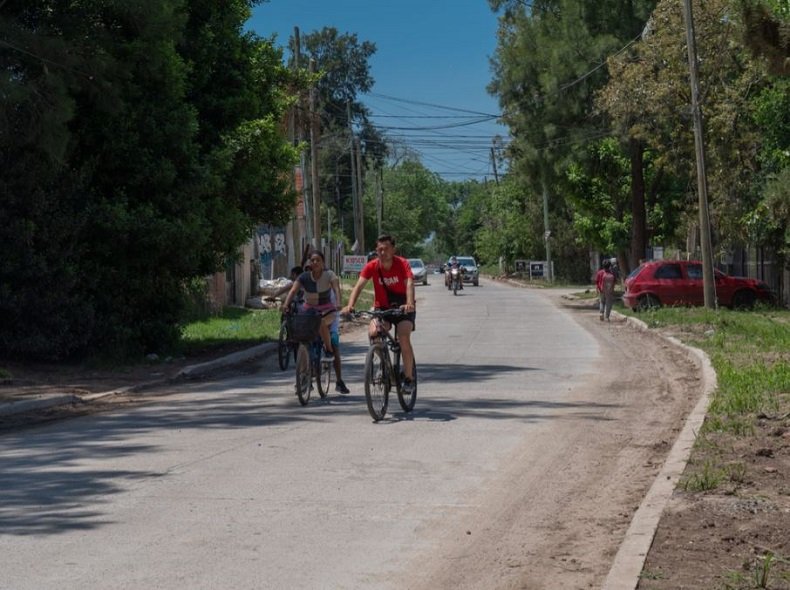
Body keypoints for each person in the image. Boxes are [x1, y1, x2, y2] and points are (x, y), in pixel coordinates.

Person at [341, 234, 417, 394]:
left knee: (403, 337)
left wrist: (409, 303)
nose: (382, 253)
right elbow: (359, 286)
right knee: (374, 332)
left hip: (403, 309)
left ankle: (409, 378)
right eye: (379, 249)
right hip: (382, 308)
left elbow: (409, 283)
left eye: (386, 249)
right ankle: (382, 366)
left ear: (393, 249)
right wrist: (350, 305)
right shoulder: (372, 266)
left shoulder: (402, 264)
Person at [281, 251, 341, 359]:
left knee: (321, 321)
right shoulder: (304, 277)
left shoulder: (329, 275)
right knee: (299, 323)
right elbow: (293, 291)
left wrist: (338, 303)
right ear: (309, 263)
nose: (315, 262)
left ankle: (329, 349)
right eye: (312, 260)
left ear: (323, 262)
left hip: (327, 310)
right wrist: (286, 304)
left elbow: (336, 289)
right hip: (308, 310)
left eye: (318, 260)